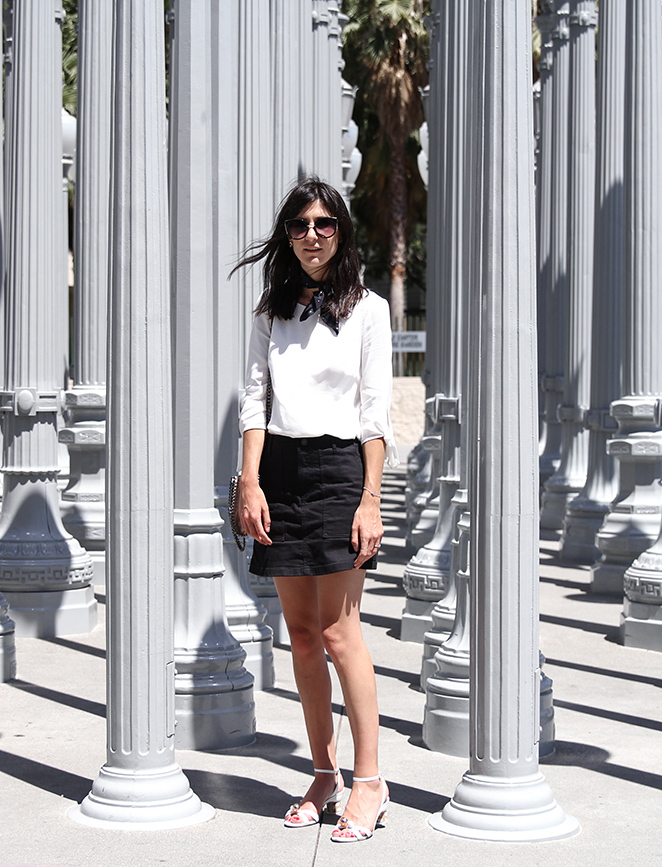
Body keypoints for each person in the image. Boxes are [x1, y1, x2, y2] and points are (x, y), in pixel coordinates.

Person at [234, 177, 396, 843]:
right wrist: (249, 482)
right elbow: (253, 400)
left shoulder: (369, 310)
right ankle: (323, 772)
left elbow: (375, 413)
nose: (311, 234)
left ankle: (372, 780)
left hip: (338, 474)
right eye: (300, 223)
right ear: (288, 233)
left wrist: (371, 500)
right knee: (299, 634)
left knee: (338, 634)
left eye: (324, 223)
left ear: (342, 231)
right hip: (280, 473)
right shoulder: (271, 310)